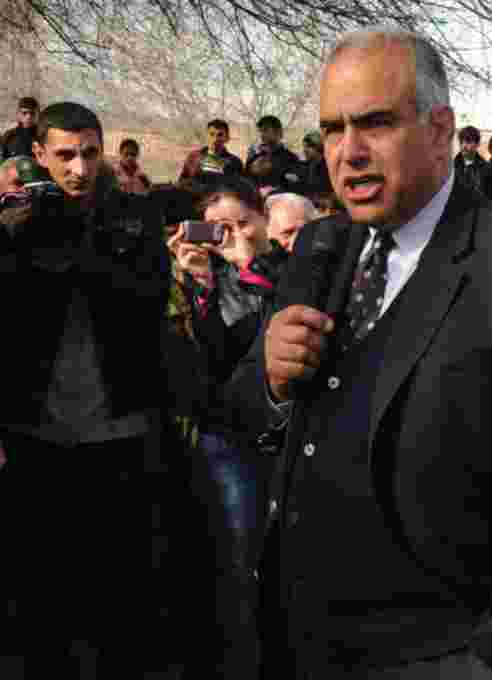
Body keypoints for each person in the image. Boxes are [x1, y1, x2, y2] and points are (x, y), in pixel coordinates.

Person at [222, 28, 492, 679]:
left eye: (374, 123)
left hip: (444, 650)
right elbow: (241, 412)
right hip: (302, 638)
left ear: (439, 130)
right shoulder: (319, 248)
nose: (348, 154)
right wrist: (268, 377)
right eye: (333, 130)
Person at [0, 101, 179, 676]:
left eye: (90, 154)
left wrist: (84, 234)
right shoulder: (16, 220)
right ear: (37, 155)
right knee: (38, 595)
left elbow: (146, 301)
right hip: (34, 434)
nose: (79, 168)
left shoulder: (131, 215)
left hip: (120, 431)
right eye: (64, 155)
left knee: (121, 594)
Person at [172, 176, 289, 676]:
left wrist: (251, 269)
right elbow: (215, 361)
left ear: (265, 220)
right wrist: (200, 283)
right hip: (229, 437)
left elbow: (283, 332)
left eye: (244, 223)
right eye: (219, 227)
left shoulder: (291, 269)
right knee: (237, 563)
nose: (233, 235)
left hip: (289, 437)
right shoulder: (208, 278)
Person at [453, 125, 492, 205]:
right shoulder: (451, 168)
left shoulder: (488, 170)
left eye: (468, 141)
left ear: (477, 144)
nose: (463, 145)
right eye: (461, 141)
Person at [180, 119, 244, 184]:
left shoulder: (235, 163)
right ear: (206, 136)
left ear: (227, 138)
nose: (215, 139)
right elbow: (182, 183)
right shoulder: (193, 157)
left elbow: (240, 189)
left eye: (220, 135)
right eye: (211, 134)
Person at [299, 130, 332, 195]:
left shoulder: (328, 166)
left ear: (318, 146)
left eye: (308, 147)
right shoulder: (307, 166)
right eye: (304, 147)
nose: (305, 150)